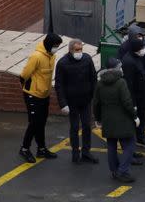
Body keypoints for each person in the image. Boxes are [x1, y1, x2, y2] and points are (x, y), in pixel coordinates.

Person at [18, 32, 62, 163]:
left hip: (45, 94)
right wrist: (30, 89)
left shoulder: (52, 56)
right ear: (49, 44)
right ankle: (25, 149)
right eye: (55, 45)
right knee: (34, 123)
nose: (56, 48)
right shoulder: (36, 56)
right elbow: (24, 75)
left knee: (41, 121)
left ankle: (41, 149)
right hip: (33, 95)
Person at [93, 57, 139, 183]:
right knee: (129, 145)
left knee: (111, 146)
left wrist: (98, 119)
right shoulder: (121, 82)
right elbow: (127, 102)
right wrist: (135, 116)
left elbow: (96, 103)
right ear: (116, 68)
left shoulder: (100, 83)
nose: (122, 69)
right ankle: (122, 171)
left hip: (108, 121)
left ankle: (114, 170)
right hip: (123, 120)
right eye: (120, 66)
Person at [54, 38, 98, 164]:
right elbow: (59, 85)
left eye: (81, 49)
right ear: (70, 50)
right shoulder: (62, 63)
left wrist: (94, 95)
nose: (79, 52)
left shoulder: (87, 59)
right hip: (72, 102)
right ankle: (75, 153)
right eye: (77, 50)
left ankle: (86, 152)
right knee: (74, 127)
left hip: (85, 100)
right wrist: (63, 103)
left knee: (87, 126)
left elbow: (93, 78)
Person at [119, 33, 145, 149]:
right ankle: (133, 143)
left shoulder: (136, 57)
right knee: (134, 120)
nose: (144, 50)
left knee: (141, 118)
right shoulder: (129, 61)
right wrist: (133, 103)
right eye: (141, 48)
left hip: (141, 94)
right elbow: (129, 84)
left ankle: (138, 139)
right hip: (136, 97)